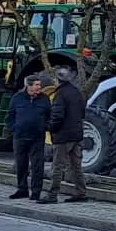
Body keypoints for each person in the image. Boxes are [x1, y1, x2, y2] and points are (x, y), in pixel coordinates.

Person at [43, 65, 89, 203]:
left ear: (57, 80)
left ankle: (52, 195)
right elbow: (82, 112)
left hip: (63, 136)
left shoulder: (60, 94)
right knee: (76, 166)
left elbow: (57, 116)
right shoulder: (76, 92)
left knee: (57, 166)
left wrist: (50, 128)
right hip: (76, 135)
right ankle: (81, 193)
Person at [7, 73, 50, 202]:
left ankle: (36, 192)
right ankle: (22, 189)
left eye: (40, 85)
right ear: (28, 86)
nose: (39, 87)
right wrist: (15, 127)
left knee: (37, 166)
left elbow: (50, 115)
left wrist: (44, 127)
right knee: (21, 164)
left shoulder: (44, 98)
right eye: (37, 85)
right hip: (20, 137)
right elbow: (10, 115)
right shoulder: (17, 98)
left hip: (37, 138)